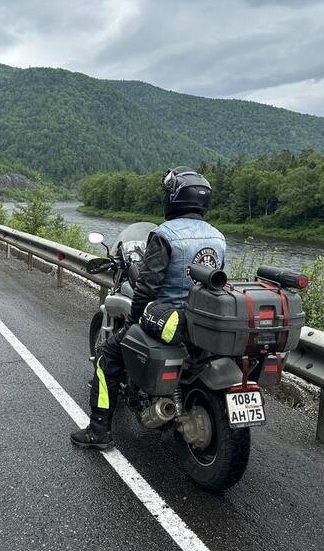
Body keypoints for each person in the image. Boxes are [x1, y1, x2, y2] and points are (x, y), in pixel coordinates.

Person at [70, 166, 226, 449]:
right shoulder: (218, 237)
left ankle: (99, 431)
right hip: (200, 321)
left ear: (175, 197)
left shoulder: (165, 234)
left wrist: (132, 322)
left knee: (107, 357)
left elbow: (148, 286)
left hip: (166, 319)